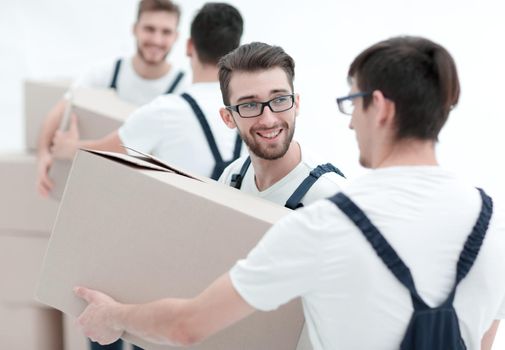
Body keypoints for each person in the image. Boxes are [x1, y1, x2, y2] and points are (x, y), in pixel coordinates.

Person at [73, 36, 505, 350]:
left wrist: (115, 316)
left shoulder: (327, 220)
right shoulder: (493, 219)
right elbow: (487, 329)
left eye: (354, 104)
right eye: (249, 105)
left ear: (382, 109)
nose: (351, 122)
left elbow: (190, 325)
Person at [49, 2, 244, 181]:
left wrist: (68, 148)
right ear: (236, 52)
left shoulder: (166, 111)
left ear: (189, 46)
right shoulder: (252, 113)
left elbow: (106, 153)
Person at [37, 0, 187, 197]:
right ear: (135, 29)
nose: (157, 40)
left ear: (176, 36)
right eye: (149, 29)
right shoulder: (105, 72)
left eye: (166, 32)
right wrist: (43, 154)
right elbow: (61, 108)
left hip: (144, 192)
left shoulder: (183, 89)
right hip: (93, 182)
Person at [217, 42, 345, 209]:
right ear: (228, 118)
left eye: (279, 100)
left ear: (296, 104)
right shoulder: (231, 177)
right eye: (249, 105)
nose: (268, 120)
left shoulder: (331, 197)